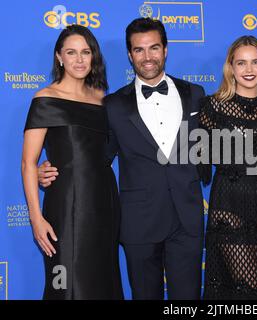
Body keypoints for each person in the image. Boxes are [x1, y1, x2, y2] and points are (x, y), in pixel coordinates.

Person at [39, 18, 205, 300]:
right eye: (139, 50)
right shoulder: (113, 104)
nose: (147, 57)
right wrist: (46, 168)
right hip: (138, 221)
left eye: (154, 48)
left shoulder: (195, 94)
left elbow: (215, 144)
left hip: (186, 219)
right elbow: (93, 156)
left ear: (165, 50)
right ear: (130, 55)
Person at [22, 25, 123, 300]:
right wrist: (35, 218)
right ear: (59, 57)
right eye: (71, 52)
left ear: (93, 57)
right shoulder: (46, 98)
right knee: (64, 282)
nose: (79, 60)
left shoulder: (104, 100)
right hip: (64, 205)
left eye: (85, 52)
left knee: (103, 281)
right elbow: (28, 163)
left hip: (104, 204)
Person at [199, 36, 257, 299]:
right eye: (241, 63)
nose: (249, 70)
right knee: (246, 289)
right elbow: (200, 158)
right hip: (230, 205)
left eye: (255, 62)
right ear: (231, 67)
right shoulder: (212, 107)